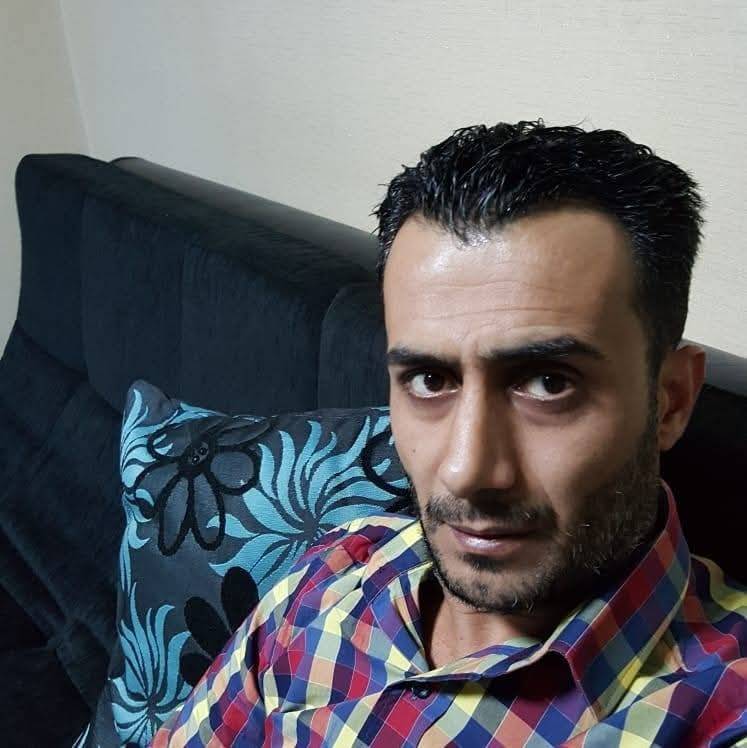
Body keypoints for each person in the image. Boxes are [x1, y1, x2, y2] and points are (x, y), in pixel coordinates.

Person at [152, 121, 747, 747]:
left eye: (548, 383)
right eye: (430, 380)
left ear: (671, 401)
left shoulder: (718, 707)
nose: (466, 471)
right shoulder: (333, 573)